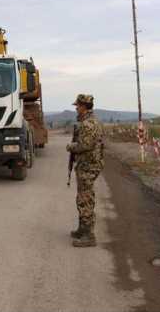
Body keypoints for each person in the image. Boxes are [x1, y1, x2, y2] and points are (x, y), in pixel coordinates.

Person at [67, 94, 104, 247]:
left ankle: (89, 236)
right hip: (87, 164)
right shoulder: (90, 122)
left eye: (78, 105)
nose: (76, 108)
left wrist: (71, 147)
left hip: (88, 166)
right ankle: (83, 229)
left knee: (85, 199)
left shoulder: (88, 124)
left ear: (84, 106)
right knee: (82, 198)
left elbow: (85, 145)